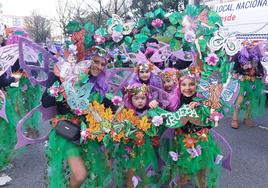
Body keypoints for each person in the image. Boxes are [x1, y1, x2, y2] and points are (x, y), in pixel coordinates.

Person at [42, 51, 108, 188]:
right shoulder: (61, 73)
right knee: (80, 175)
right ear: (87, 60)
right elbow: (45, 101)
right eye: (96, 62)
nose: (100, 67)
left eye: (103, 64)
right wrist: (63, 87)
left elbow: (105, 104)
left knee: (93, 171)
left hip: (86, 132)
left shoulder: (96, 83)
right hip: (66, 131)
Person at [231, 44, 265, 129]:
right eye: (248, 43)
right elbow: (234, 69)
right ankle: (234, 119)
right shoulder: (239, 54)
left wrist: (259, 73)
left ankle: (247, 118)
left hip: (253, 82)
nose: (251, 45)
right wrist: (243, 69)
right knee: (240, 99)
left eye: (253, 43)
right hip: (243, 81)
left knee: (250, 100)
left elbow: (260, 69)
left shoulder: (256, 55)